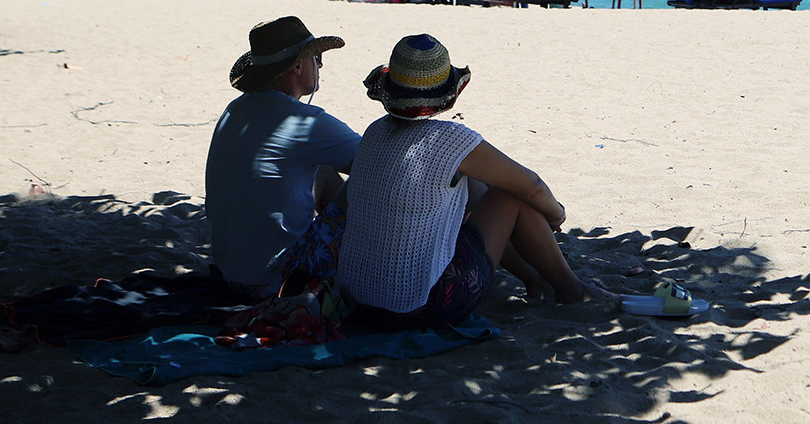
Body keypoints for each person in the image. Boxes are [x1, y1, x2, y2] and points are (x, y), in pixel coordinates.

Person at [338, 35, 614, 329]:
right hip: (419, 307)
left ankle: (534, 279)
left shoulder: (373, 133)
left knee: (472, 188)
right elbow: (531, 184)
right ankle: (571, 289)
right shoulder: (450, 139)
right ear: (447, 94)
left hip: (357, 303)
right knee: (510, 197)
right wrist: (557, 213)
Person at [205, 17, 359, 295]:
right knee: (367, 182)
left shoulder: (236, 109)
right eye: (317, 58)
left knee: (321, 166)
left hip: (232, 271)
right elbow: (379, 164)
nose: (321, 66)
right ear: (298, 66)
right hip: (277, 281)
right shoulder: (306, 122)